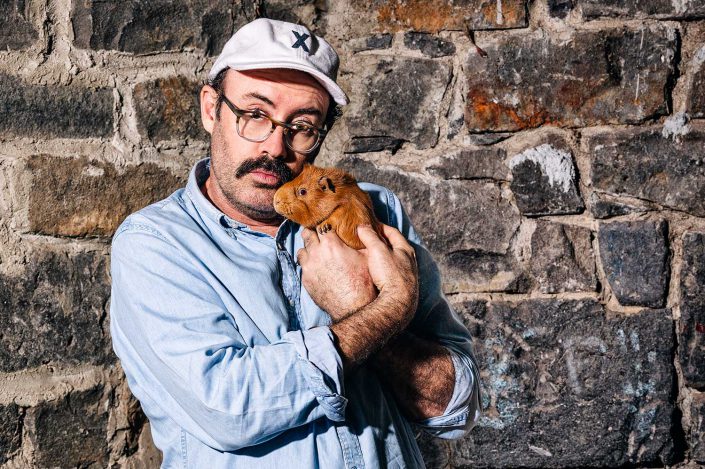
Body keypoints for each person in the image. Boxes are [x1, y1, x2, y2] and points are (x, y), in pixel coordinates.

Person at [110, 18, 481, 468]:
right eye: (254, 115)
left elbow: (454, 406)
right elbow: (229, 409)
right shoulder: (156, 244)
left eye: (303, 125)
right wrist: (385, 308)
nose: (275, 146)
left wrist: (357, 310)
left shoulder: (374, 211)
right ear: (212, 109)